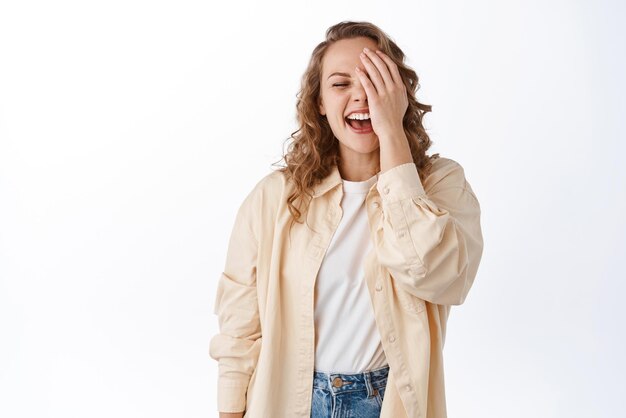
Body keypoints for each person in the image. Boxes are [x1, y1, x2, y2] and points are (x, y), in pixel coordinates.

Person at [209, 20, 484, 418]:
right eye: (341, 84)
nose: (362, 96)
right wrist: (230, 410)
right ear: (319, 101)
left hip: (388, 401)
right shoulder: (274, 198)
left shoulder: (440, 185)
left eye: (376, 81)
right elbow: (239, 325)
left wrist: (392, 134)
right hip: (291, 400)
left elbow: (436, 273)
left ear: (398, 94)